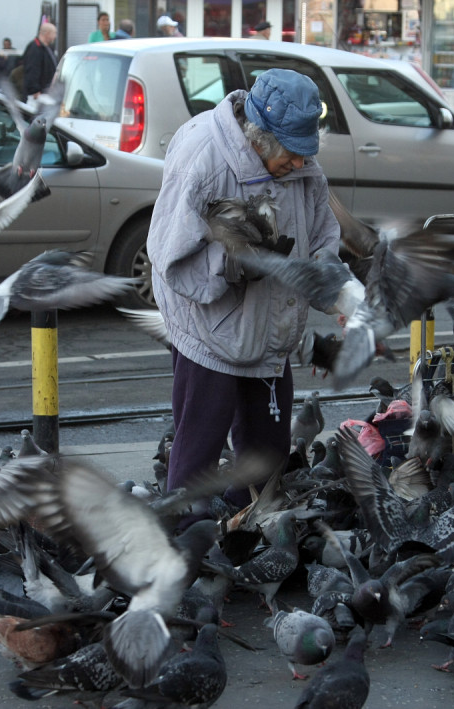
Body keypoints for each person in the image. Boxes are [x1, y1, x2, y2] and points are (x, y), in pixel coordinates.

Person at [147, 68, 339, 515]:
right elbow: (169, 256)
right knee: (199, 449)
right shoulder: (204, 157)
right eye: (292, 154)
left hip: (270, 328)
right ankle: (181, 547)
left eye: (306, 153)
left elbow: (322, 238)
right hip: (209, 329)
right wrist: (235, 264)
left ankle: (247, 538)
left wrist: (336, 293)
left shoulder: (303, 167)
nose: (300, 163)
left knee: (267, 451)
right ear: (259, 138)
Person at [21, 22, 58, 101]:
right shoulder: (35, 48)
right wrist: (34, 90)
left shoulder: (46, 48)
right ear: (47, 33)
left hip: (46, 92)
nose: (55, 37)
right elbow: (32, 69)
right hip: (37, 95)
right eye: (54, 33)